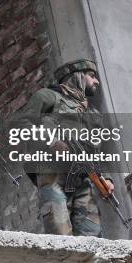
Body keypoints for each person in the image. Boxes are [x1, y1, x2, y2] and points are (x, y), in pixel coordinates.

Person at [15, 59, 114, 236]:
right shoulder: (48, 96)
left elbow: (97, 153)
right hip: (53, 173)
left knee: (93, 238)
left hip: (82, 180)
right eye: (91, 76)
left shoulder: (92, 115)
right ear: (77, 76)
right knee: (60, 233)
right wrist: (53, 142)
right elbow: (23, 124)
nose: (96, 81)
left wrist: (106, 179)